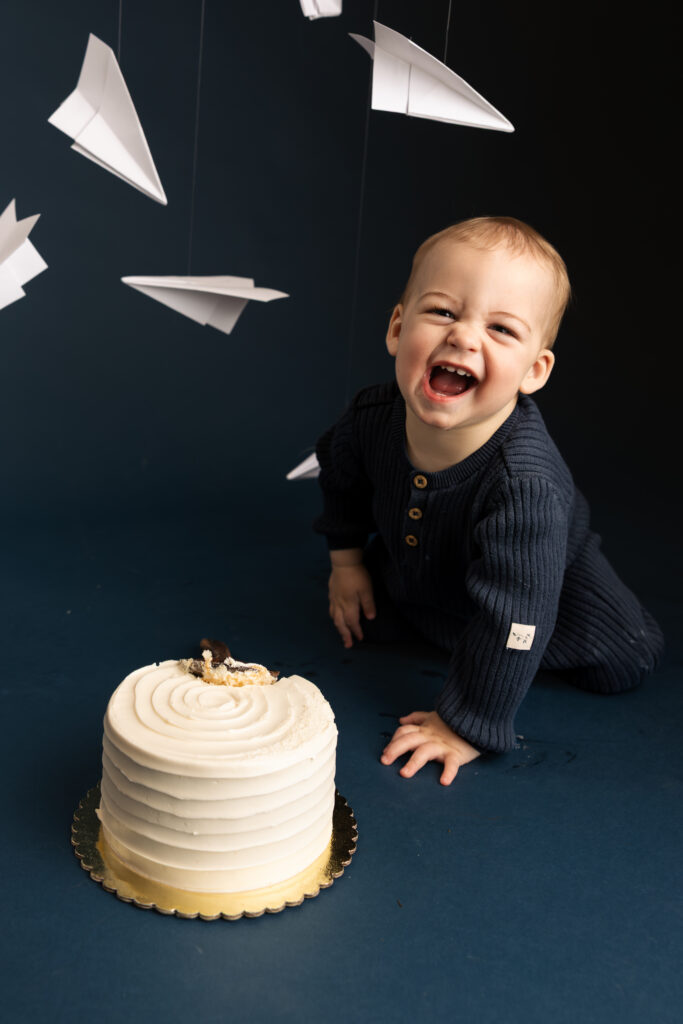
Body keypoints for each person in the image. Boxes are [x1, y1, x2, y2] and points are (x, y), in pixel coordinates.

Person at [314, 216, 663, 785]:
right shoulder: (371, 417)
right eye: (443, 312)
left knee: (621, 660)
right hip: (430, 573)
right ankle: (453, 625)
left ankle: (491, 659)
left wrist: (466, 722)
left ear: (534, 370)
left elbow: (516, 617)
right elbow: (342, 483)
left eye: (501, 329)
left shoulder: (525, 486)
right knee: (372, 616)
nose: (464, 336)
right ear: (397, 329)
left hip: (546, 587)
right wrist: (346, 562)